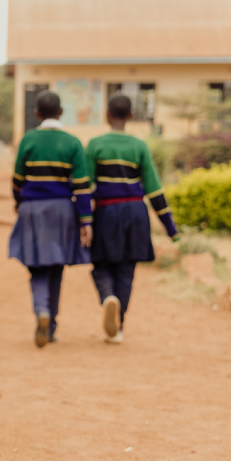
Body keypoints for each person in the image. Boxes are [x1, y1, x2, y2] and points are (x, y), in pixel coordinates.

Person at [85, 94, 180, 343]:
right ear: (130, 116)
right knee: (127, 271)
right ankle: (120, 328)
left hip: (106, 212)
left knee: (101, 264)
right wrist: (171, 229)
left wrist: (83, 220)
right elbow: (154, 190)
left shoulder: (95, 145)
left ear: (107, 115)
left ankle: (107, 297)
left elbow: (84, 186)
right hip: (136, 213)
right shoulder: (139, 146)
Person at [9, 91, 93, 347]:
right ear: (61, 113)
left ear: (37, 114)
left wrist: (18, 202)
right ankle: (51, 326)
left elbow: (17, 179)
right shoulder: (72, 143)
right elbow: (81, 186)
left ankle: (41, 310)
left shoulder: (28, 140)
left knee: (36, 266)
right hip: (61, 211)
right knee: (56, 266)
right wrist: (86, 220)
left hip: (32, 209)